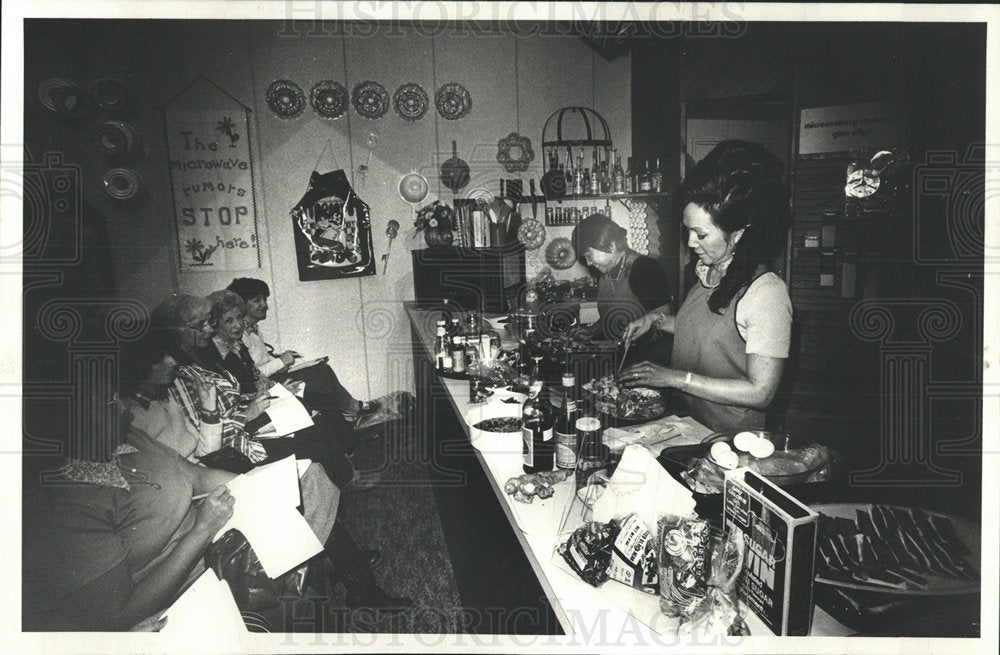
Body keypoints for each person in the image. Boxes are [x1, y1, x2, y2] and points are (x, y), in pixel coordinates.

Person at [116, 336, 405, 612]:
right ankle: (352, 575)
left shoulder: (164, 396)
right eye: (160, 359)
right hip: (196, 497)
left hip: (207, 473)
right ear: (139, 367)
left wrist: (208, 409)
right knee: (298, 491)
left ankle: (342, 565)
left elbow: (203, 449)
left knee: (311, 475)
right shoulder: (128, 420)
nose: (171, 362)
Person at [619, 140, 793, 431]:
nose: (690, 243)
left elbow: (762, 392)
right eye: (688, 231)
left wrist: (675, 378)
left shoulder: (767, 293)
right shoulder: (707, 273)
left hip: (731, 439)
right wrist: (654, 319)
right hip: (689, 425)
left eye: (701, 234)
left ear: (736, 234)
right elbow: (705, 331)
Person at [149, 294, 370, 491]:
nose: (209, 328)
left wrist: (263, 398)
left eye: (209, 322)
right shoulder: (177, 375)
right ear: (176, 331)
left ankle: (344, 468)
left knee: (313, 410)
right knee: (311, 425)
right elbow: (206, 440)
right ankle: (343, 477)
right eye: (201, 325)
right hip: (234, 442)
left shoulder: (200, 357)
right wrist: (249, 412)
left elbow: (237, 390)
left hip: (242, 420)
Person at [226, 277, 379, 425]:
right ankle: (352, 408)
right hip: (263, 387)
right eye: (257, 300)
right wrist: (281, 362)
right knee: (322, 373)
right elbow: (253, 375)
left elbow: (261, 362)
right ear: (243, 305)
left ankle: (347, 417)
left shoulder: (254, 329)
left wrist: (281, 364)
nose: (265, 305)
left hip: (273, 379)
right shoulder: (241, 335)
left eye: (265, 299)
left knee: (321, 374)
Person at [572, 213, 673, 366]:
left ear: (610, 245)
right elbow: (614, 314)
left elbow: (663, 320)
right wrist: (593, 330)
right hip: (620, 358)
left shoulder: (644, 268)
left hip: (646, 363)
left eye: (588, 255)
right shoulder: (605, 275)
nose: (588, 263)